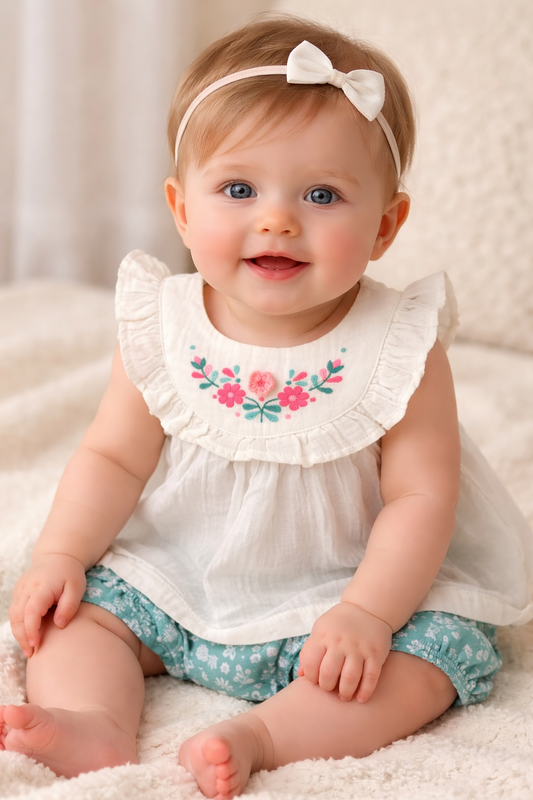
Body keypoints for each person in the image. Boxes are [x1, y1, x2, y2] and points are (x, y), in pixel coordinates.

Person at [1, 15, 532, 800]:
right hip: (181, 579)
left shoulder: (399, 346)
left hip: (343, 597)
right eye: (238, 190)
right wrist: (58, 555)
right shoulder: (163, 325)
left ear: (385, 225)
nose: (277, 218)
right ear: (182, 209)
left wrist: (368, 615)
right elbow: (112, 457)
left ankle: (264, 736)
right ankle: (93, 722)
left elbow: (422, 497)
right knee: (73, 619)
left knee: (428, 665)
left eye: (322, 194)